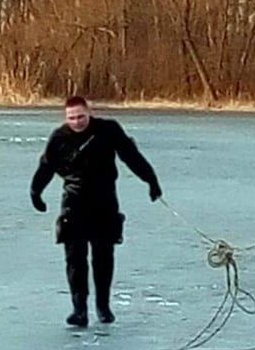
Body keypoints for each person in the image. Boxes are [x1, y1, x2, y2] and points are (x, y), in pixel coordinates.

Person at [30, 96, 162, 327]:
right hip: (74, 201)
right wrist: (36, 192)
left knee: (103, 257)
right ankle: (79, 309)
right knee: (75, 259)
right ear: (66, 117)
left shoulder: (108, 130)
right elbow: (46, 166)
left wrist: (151, 180)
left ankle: (103, 306)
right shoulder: (60, 137)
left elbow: (131, 156)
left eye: (81, 116)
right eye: (72, 118)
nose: (77, 122)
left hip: (104, 201)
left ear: (90, 112)